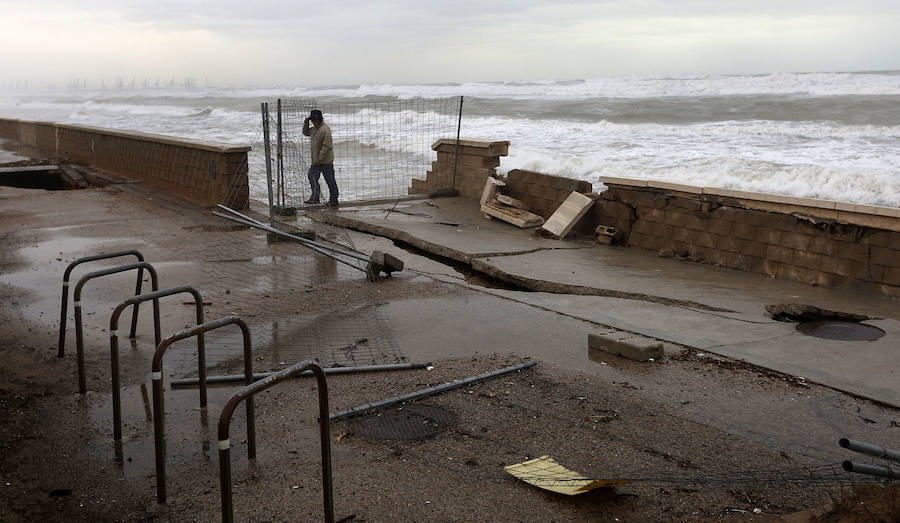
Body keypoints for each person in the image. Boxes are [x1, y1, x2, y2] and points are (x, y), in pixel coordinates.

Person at [302, 109, 338, 207]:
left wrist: (320, 158)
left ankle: (334, 200)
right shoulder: (314, 129)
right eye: (312, 120)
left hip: (325, 161)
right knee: (311, 177)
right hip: (316, 161)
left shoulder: (325, 129)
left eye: (314, 120)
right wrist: (306, 122)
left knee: (330, 181)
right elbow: (305, 132)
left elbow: (327, 146)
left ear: (319, 119)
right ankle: (315, 198)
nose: (313, 122)